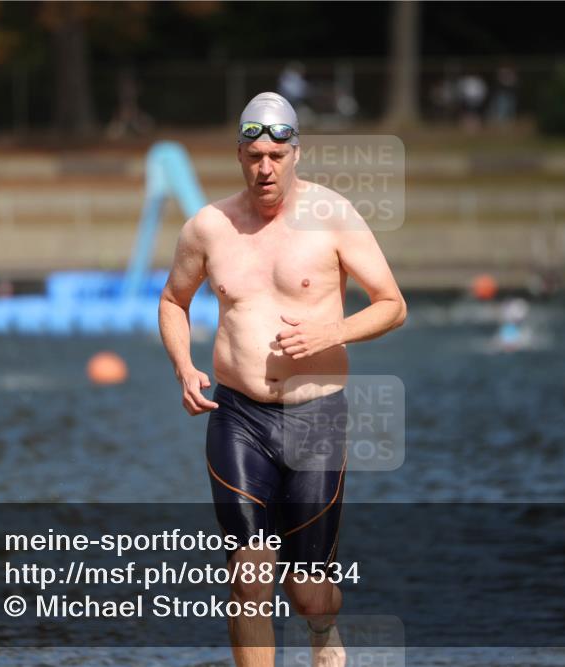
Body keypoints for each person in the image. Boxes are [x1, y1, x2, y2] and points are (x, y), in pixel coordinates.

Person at [158, 92, 407, 667]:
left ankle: (323, 632)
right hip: (238, 414)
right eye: (253, 156)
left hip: (315, 415)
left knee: (308, 589)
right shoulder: (208, 227)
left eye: (275, 154)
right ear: (239, 156)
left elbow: (393, 305)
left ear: (296, 153)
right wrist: (184, 366)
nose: (264, 168)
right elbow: (173, 301)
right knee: (248, 575)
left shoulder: (334, 218)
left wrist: (331, 333)